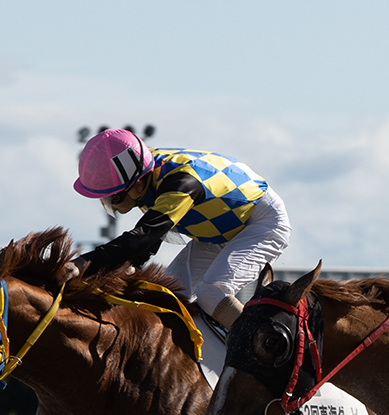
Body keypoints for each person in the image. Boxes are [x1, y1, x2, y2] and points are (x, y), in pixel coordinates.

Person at [71, 128, 291, 329]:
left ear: (137, 185)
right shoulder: (142, 171)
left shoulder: (181, 184)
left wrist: (82, 263)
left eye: (113, 197)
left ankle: (266, 354)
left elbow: (144, 235)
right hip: (220, 230)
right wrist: (134, 264)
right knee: (166, 295)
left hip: (262, 221)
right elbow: (155, 228)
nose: (113, 207)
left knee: (212, 292)